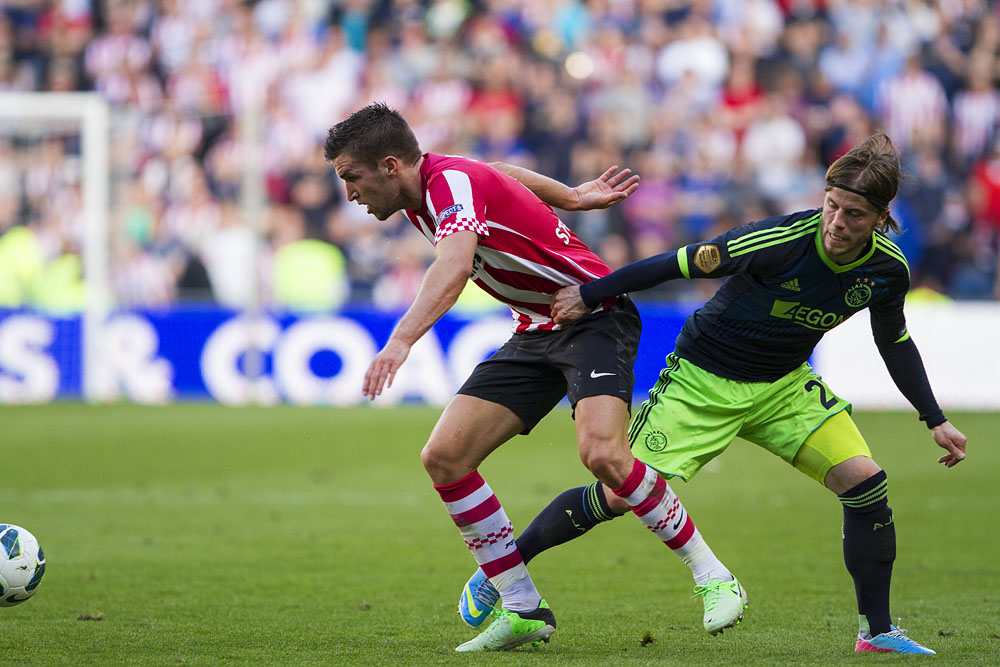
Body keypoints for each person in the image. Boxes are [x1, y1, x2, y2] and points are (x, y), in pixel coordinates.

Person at [457, 131, 967, 655]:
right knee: (617, 491)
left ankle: (877, 633)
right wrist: (589, 294)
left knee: (866, 484)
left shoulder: (887, 269)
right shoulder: (775, 241)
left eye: (854, 214)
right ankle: (505, 566)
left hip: (784, 387)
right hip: (701, 381)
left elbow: (896, 341)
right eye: (832, 205)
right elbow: (672, 263)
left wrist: (934, 418)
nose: (837, 222)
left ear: (881, 218)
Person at [323, 103, 748, 652]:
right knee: (444, 456)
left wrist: (400, 341)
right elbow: (502, 171)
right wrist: (571, 196)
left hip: (595, 313)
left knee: (603, 455)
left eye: (351, 178)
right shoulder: (431, 185)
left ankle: (713, 575)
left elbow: (453, 265)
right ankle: (523, 608)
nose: (350, 193)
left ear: (389, 166)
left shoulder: (447, 182)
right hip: (537, 329)